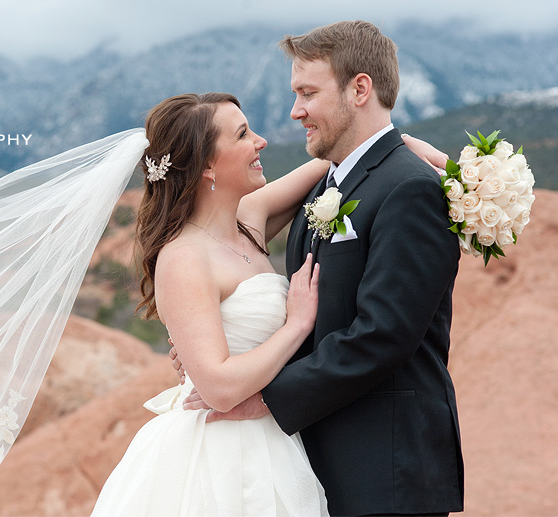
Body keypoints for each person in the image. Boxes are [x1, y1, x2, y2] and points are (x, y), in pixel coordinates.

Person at [91, 89, 449, 515]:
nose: (260, 141)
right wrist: (296, 325)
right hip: (224, 451)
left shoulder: (248, 220)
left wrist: (401, 144)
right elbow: (220, 388)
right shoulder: (184, 257)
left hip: (279, 441)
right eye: (243, 134)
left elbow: (346, 158)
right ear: (206, 164)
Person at [181, 21, 464, 516]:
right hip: (321, 467)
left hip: (386, 474)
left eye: (307, 93)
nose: (295, 112)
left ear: (360, 89)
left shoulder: (410, 188)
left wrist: (262, 401)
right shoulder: (326, 187)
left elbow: (383, 335)